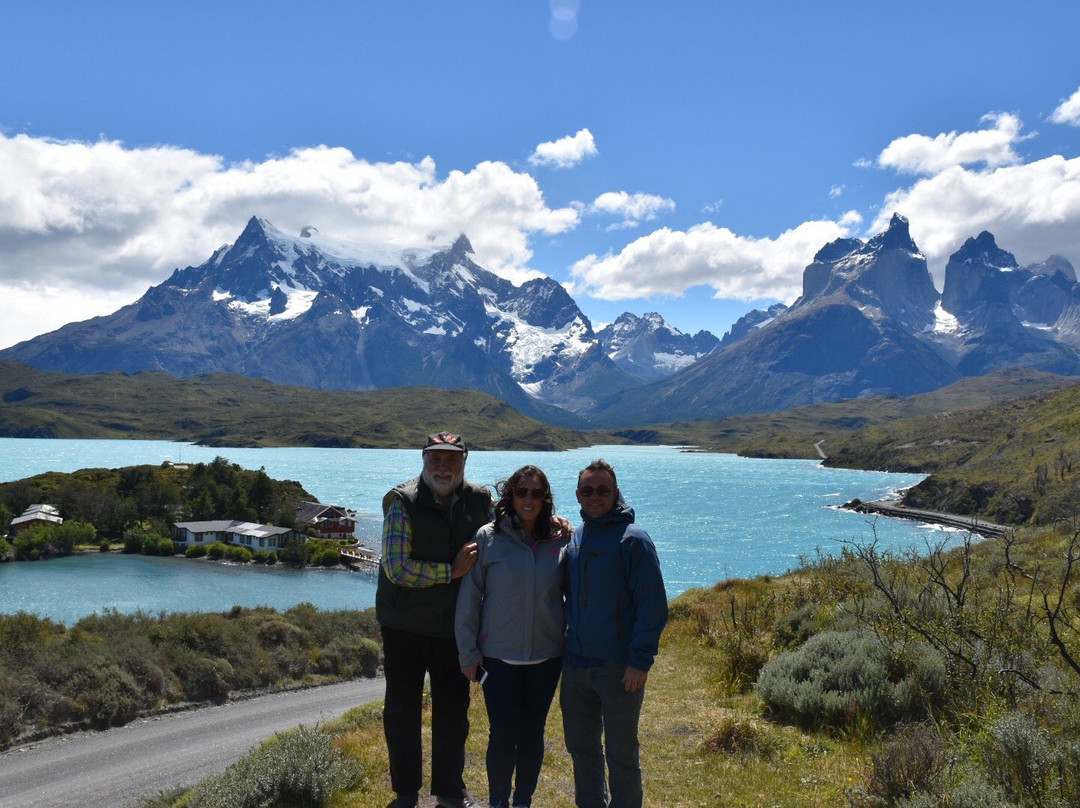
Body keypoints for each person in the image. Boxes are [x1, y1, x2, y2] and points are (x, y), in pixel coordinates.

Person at [376, 431, 494, 808]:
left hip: (452, 628)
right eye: (435, 459)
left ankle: (449, 791)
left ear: (464, 462)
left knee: (453, 714)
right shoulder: (402, 501)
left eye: (451, 459)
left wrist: (553, 520)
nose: (443, 467)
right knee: (401, 711)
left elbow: (509, 530)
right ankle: (406, 792)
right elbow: (396, 568)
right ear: (424, 461)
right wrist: (451, 572)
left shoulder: (480, 499)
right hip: (403, 626)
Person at [455, 465, 572, 808]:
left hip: (547, 659)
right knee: (503, 736)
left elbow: (574, 591)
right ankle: (498, 802)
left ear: (545, 499)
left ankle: (523, 801)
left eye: (536, 493)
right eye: (521, 492)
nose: (528, 499)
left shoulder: (562, 539)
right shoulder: (488, 538)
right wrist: (468, 653)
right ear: (510, 496)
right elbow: (469, 599)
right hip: (498, 659)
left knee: (533, 735)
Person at [560, 459, 668, 808]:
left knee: (621, 752)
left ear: (616, 493)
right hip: (575, 665)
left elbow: (653, 606)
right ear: (578, 494)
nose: (595, 496)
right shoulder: (575, 537)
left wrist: (640, 661)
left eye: (602, 490)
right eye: (588, 490)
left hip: (619, 668)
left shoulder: (634, 540)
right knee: (581, 747)